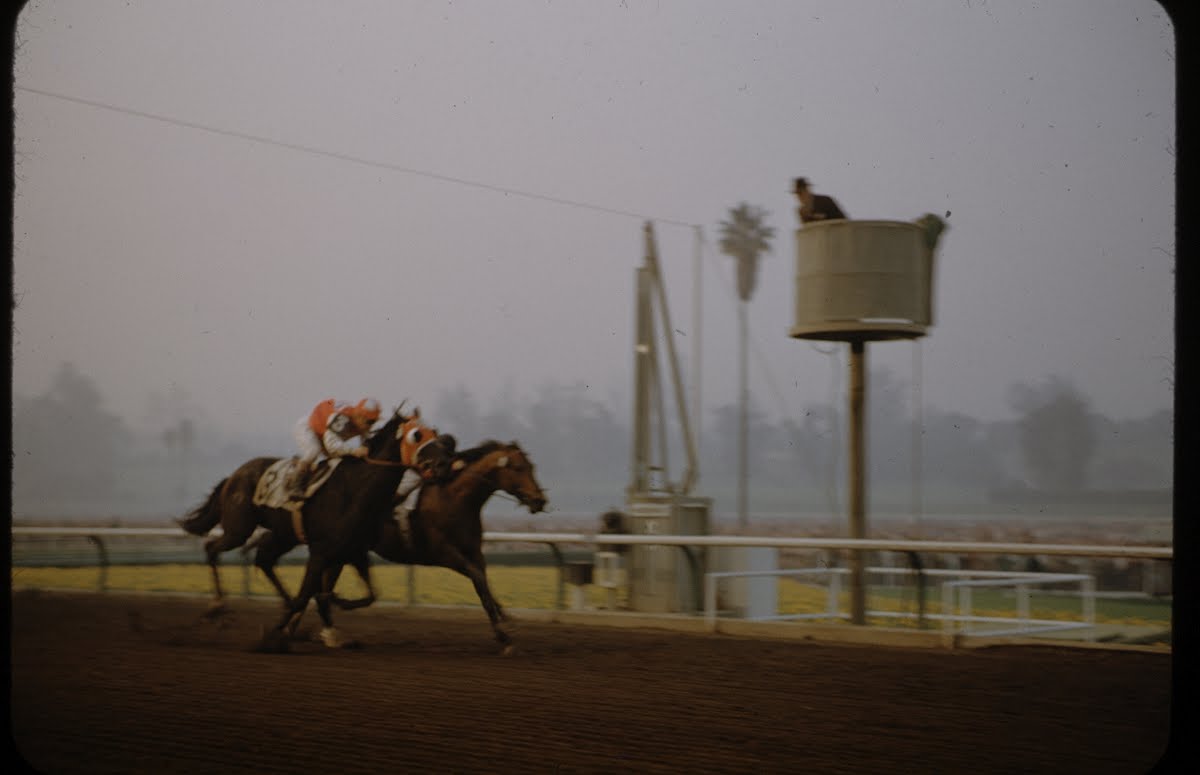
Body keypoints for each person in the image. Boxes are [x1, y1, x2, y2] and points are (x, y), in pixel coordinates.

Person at [287, 397, 382, 500]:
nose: (371, 426)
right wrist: (354, 451)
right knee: (314, 451)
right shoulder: (342, 418)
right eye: (370, 422)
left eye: (374, 422)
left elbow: (368, 444)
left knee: (338, 460)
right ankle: (294, 482)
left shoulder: (362, 423)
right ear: (360, 416)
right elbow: (332, 445)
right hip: (308, 428)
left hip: (325, 434)